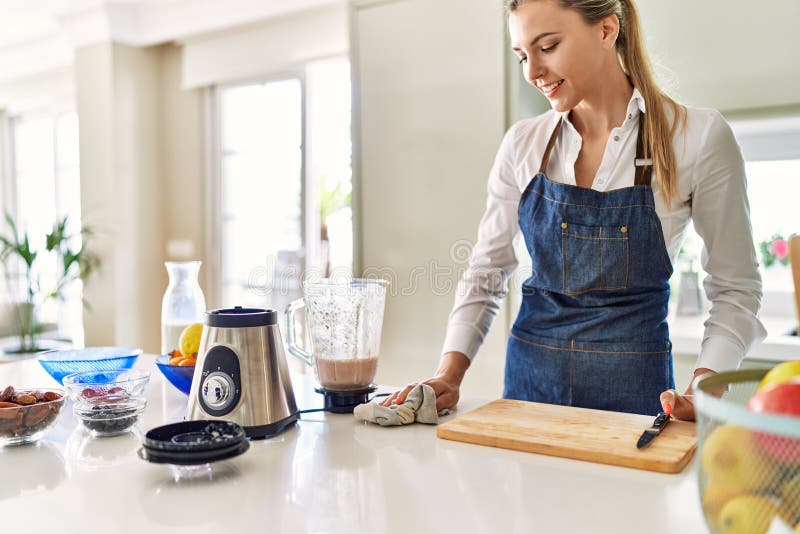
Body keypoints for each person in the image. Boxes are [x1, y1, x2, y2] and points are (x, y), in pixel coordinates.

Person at [381, 0, 766, 420]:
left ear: (605, 31)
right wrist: (448, 374)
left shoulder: (696, 137)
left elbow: (736, 290)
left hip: (636, 402)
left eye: (547, 46)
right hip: (529, 393)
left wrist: (703, 387)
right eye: (523, 55)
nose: (532, 72)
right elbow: (487, 270)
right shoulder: (522, 144)